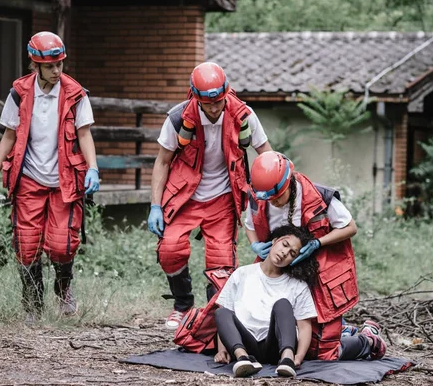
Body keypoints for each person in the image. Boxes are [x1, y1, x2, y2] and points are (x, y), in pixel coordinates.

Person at [0, 31, 100, 324]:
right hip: (29, 181)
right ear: (35, 64)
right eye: (50, 66)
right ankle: (32, 306)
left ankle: (63, 290)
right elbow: (9, 134)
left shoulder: (76, 94)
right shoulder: (19, 93)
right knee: (26, 243)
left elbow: (84, 134)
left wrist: (94, 167)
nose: (57, 70)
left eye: (60, 64)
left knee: (63, 244)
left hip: (65, 182)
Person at [147, 62, 272, 330]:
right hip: (184, 196)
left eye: (218, 101)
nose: (214, 108)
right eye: (207, 103)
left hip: (224, 197)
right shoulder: (178, 118)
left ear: (226, 93)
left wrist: (278, 192)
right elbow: (162, 162)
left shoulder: (244, 116)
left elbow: (268, 155)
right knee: (169, 250)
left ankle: (212, 315)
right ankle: (182, 306)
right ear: (195, 97)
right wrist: (155, 205)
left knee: (221, 263)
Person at [214, 225, 387, 378]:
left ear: (295, 259)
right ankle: (242, 360)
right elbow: (225, 318)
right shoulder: (242, 273)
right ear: (275, 241)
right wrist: (222, 350)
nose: (284, 253)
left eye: (292, 253)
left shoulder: (297, 285)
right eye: (285, 244)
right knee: (221, 312)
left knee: (282, 304)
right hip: (245, 344)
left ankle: (286, 360)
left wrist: (298, 357)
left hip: (275, 346)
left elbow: (304, 327)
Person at [245, 151, 368, 361]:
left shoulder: (319, 196)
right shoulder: (260, 197)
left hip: (317, 272)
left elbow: (350, 227)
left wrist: (318, 243)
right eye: (269, 199)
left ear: (288, 183)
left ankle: (368, 340)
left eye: (277, 197)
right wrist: (255, 244)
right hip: (280, 274)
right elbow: (249, 225)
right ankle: (341, 330)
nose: (273, 203)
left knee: (322, 350)